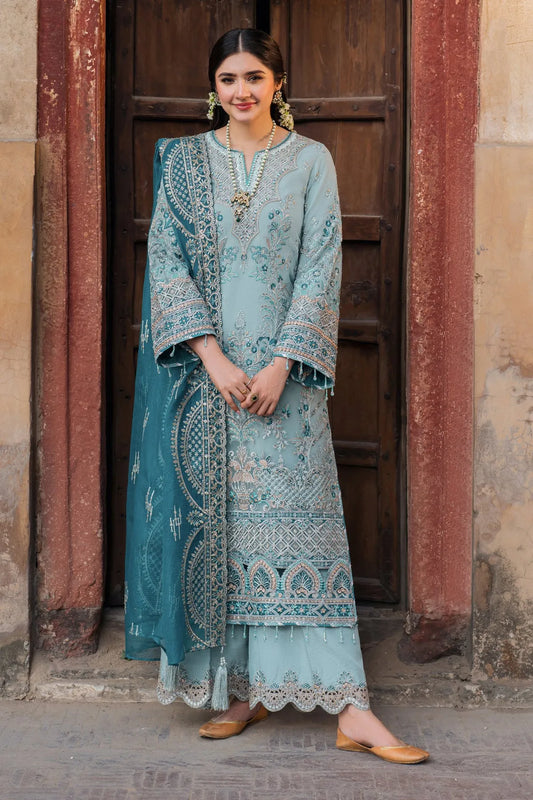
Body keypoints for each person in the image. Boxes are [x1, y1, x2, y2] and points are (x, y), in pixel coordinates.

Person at [124, 28, 429, 765]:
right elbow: (164, 259)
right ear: (212, 87)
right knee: (221, 540)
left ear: (278, 82)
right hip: (209, 388)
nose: (240, 90)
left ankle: (351, 707)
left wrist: (281, 365)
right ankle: (240, 688)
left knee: (305, 536)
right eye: (227, 78)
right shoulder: (188, 165)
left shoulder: (310, 162)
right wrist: (212, 356)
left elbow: (322, 266)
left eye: (253, 76)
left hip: (283, 389)